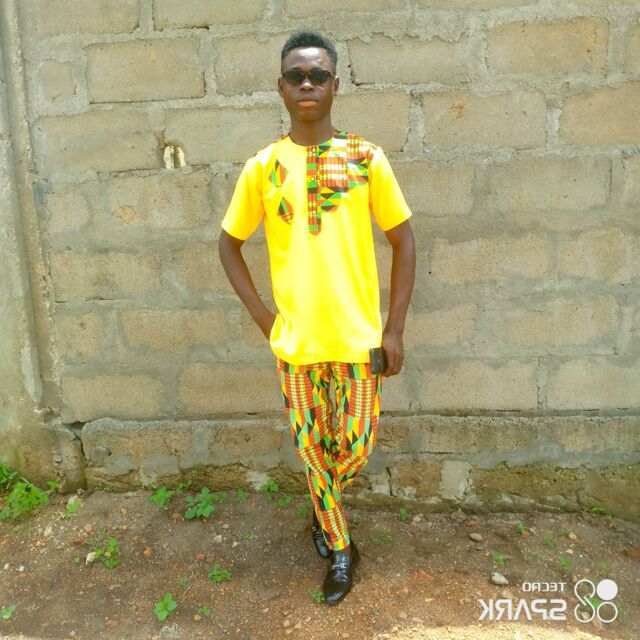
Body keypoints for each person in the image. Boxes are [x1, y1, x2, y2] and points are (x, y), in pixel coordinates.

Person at [218, 28, 416, 605]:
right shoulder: (262, 168)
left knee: (354, 447)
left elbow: (404, 240)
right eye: (296, 76)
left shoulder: (366, 159)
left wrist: (394, 328)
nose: (307, 84)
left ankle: (323, 501)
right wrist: (265, 319)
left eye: (318, 75)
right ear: (281, 87)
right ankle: (341, 548)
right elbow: (228, 245)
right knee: (311, 450)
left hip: (359, 340)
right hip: (297, 344)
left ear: (335, 84)